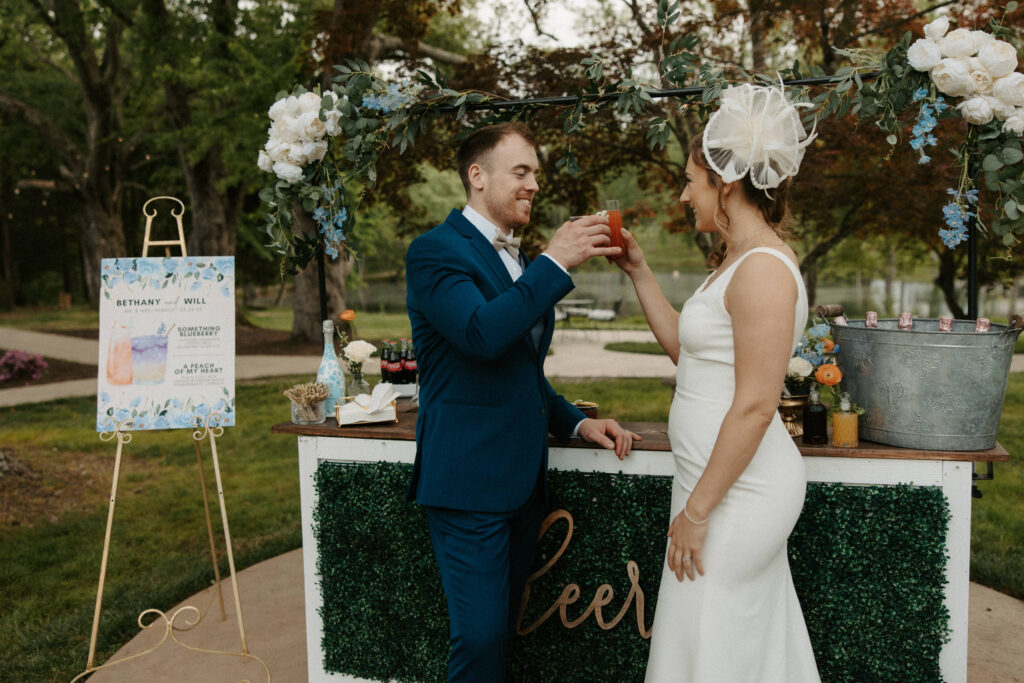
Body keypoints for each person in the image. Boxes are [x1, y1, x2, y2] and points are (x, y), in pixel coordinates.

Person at [405, 121, 642, 682]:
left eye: (536, 172)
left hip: (520, 483)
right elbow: (482, 335)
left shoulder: (517, 260)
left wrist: (577, 423)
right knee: (480, 641)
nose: (534, 184)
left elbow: (521, 369)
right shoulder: (435, 251)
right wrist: (554, 263)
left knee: (503, 633)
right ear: (477, 176)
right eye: (521, 171)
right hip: (465, 482)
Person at [612, 84, 821, 681]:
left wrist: (698, 513)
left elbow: (756, 406)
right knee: (717, 640)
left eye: (690, 181)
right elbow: (689, 351)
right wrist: (640, 272)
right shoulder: (735, 259)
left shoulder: (763, 269)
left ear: (725, 184)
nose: (684, 194)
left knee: (714, 639)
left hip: (740, 493)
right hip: (707, 484)